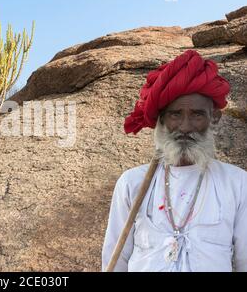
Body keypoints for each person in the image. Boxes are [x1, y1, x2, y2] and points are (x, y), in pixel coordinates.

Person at [101, 49, 247, 272]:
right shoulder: (132, 183)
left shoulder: (237, 183)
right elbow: (116, 259)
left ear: (214, 117)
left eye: (197, 115)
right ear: (161, 119)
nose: (186, 127)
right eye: (175, 114)